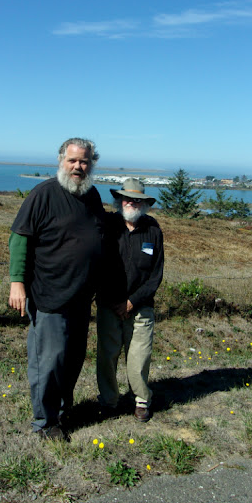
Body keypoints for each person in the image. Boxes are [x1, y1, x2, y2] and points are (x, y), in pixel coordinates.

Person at [8, 138, 104, 440]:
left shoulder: (92, 195)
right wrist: (17, 282)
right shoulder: (43, 194)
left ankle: (63, 411)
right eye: (73, 160)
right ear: (61, 160)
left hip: (80, 296)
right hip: (49, 295)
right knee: (47, 362)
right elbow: (20, 238)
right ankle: (45, 422)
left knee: (72, 360)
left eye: (84, 161)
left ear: (92, 163)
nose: (78, 167)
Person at [97, 178, 164, 422]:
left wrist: (132, 302)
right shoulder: (106, 225)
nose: (131, 202)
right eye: (127, 198)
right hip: (108, 305)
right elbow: (97, 266)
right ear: (119, 200)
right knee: (107, 357)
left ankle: (142, 401)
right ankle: (108, 401)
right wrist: (116, 302)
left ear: (144, 203)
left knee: (139, 357)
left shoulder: (153, 229)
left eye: (137, 199)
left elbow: (156, 275)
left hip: (142, 307)